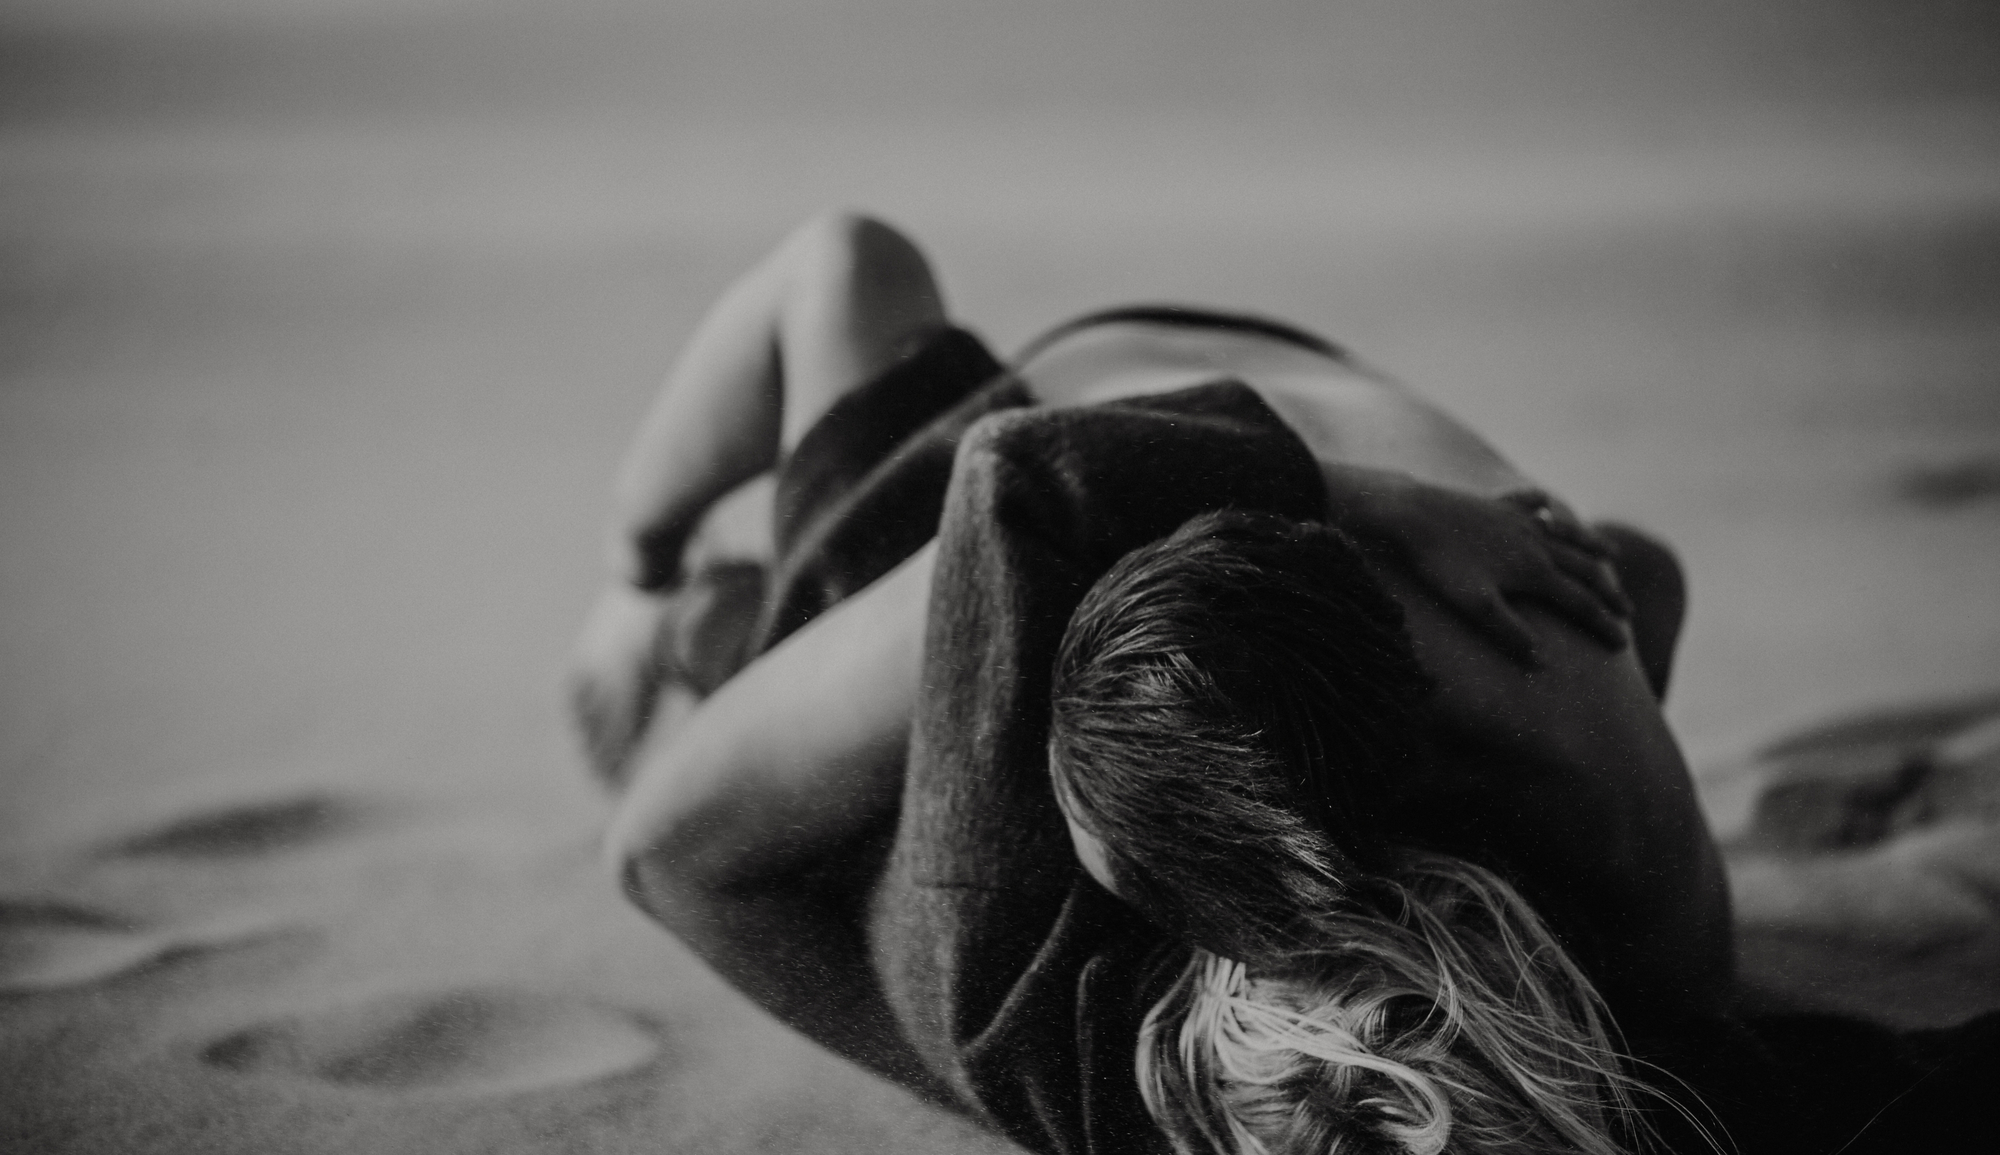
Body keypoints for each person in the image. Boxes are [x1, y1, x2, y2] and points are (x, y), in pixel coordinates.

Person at [570, 214, 1977, 1155]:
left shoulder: (1585, 781)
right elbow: (1027, 487)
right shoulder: (1577, 753)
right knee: (844, 283)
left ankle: (678, 604)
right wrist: (1349, 491)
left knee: (846, 271)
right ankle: (658, 592)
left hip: (1075, 499)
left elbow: (1013, 491)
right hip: (1194, 464)